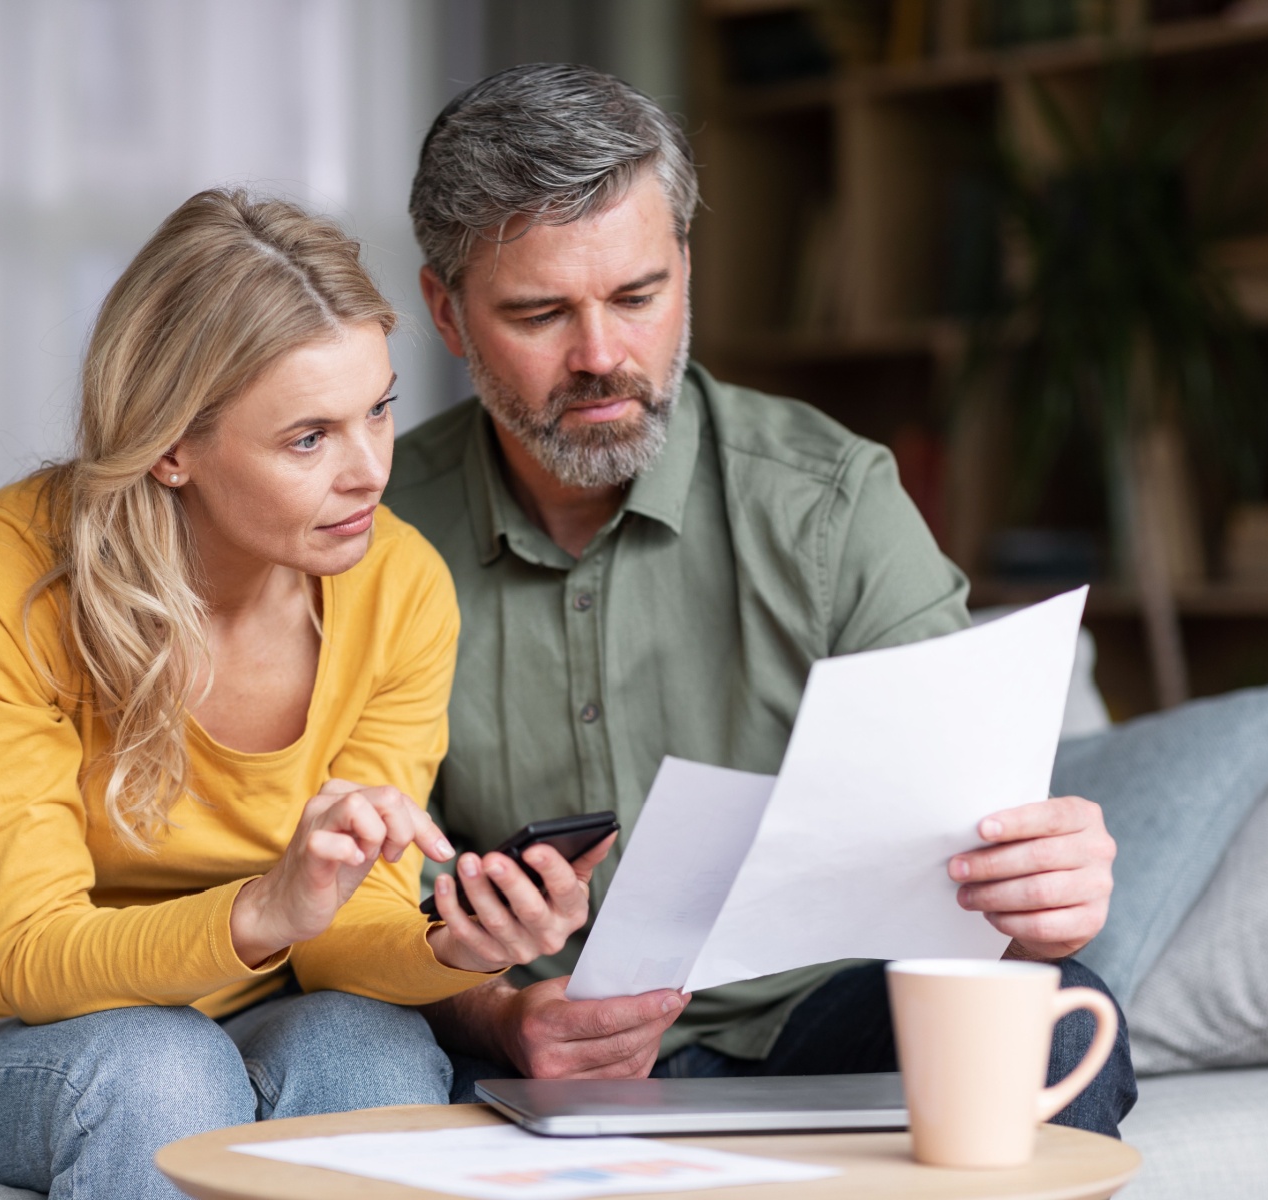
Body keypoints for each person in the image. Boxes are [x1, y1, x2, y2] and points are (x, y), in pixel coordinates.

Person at [0, 190, 610, 1200]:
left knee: (371, 1052)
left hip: (242, 1018)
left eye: (379, 407)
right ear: (170, 448)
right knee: (160, 1066)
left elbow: (343, 945)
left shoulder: (400, 585)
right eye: (308, 438)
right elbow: (30, 955)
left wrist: (454, 946)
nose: (371, 470)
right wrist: (266, 909)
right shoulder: (2, 569)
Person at [385, 64, 1137, 1133]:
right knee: (359, 1058)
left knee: (1054, 1017)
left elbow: (970, 855)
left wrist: (1040, 905)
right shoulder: (369, 535)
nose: (602, 357)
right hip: (505, 1040)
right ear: (446, 314)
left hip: (810, 1014)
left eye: (638, 297)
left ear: (685, 267)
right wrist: (500, 1018)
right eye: (540, 311)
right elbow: (340, 902)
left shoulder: (831, 502)